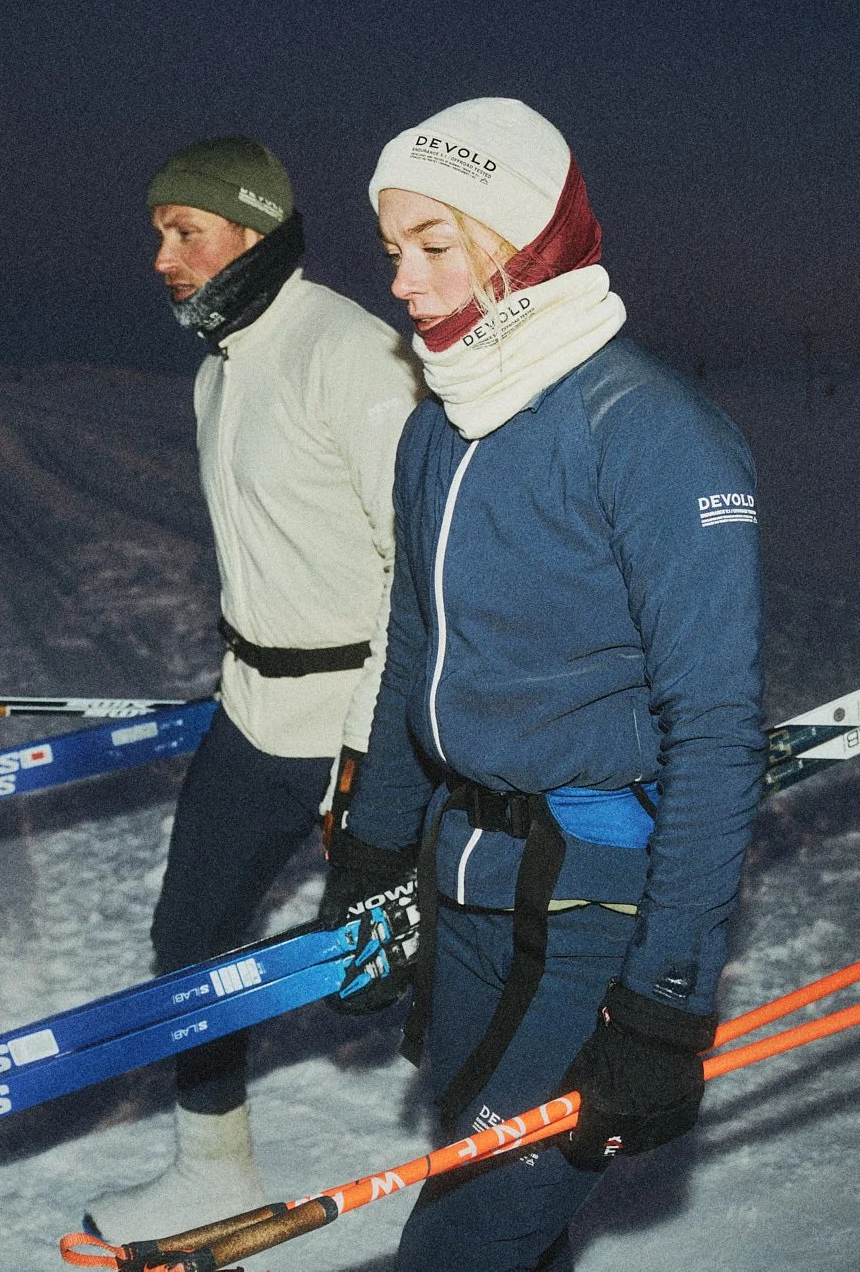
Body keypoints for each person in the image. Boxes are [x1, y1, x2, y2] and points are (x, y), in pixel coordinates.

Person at [316, 98, 765, 1270]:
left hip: (594, 899)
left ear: (521, 245)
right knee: (503, 1213)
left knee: (461, 1240)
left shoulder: (653, 434)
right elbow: (415, 648)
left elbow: (716, 730)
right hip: (463, 875)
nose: (401, 282)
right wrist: (372, 856)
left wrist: (664, 999)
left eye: (434, 245)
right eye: (391, 250)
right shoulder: (439, 427)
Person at [84, 137, 422, 1239]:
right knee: (190, 934)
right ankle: (212, 1165)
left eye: (184, 232)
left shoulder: (354, 353)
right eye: (156, 235)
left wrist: (374, 751)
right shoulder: (216, 367)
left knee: (395, 963)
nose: (160, 257)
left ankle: (515, 1156)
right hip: (253, 713)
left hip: (364, 720)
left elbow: (413, 577)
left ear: (253, 231)